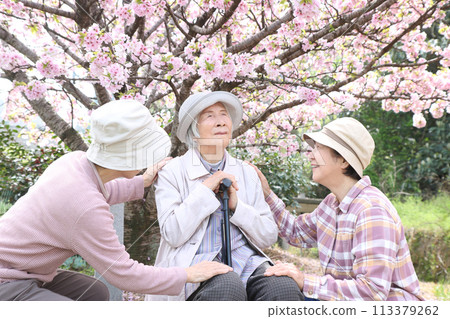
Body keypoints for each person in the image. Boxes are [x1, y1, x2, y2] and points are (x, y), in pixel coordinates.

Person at [0, 99, 231, 301]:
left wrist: (142, 182)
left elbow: (101, 190)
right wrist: (188, 274)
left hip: (26, 271)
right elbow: (123, 273)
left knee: (94, 292)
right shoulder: (86, 208)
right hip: (6, 281)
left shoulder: (74, 162)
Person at [145, 91, 304, 301]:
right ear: (194, 132)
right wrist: (205, 191)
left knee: (283, 287)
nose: (220, 122)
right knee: (227, 285)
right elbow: (172, 233)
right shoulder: (173, 171)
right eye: (209, 116)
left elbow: (268, 236)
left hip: (247, 263)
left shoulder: (246, 172)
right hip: (196, 265)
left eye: (224, 114)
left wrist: (238, 207)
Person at [250, 117, 424, 301]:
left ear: (343, 160)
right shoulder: (331, 204)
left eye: (319, 147)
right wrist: (266, 194)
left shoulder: (372, 210)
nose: (310, 154)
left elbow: (372, 292)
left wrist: (305, 281)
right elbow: (295, 231)